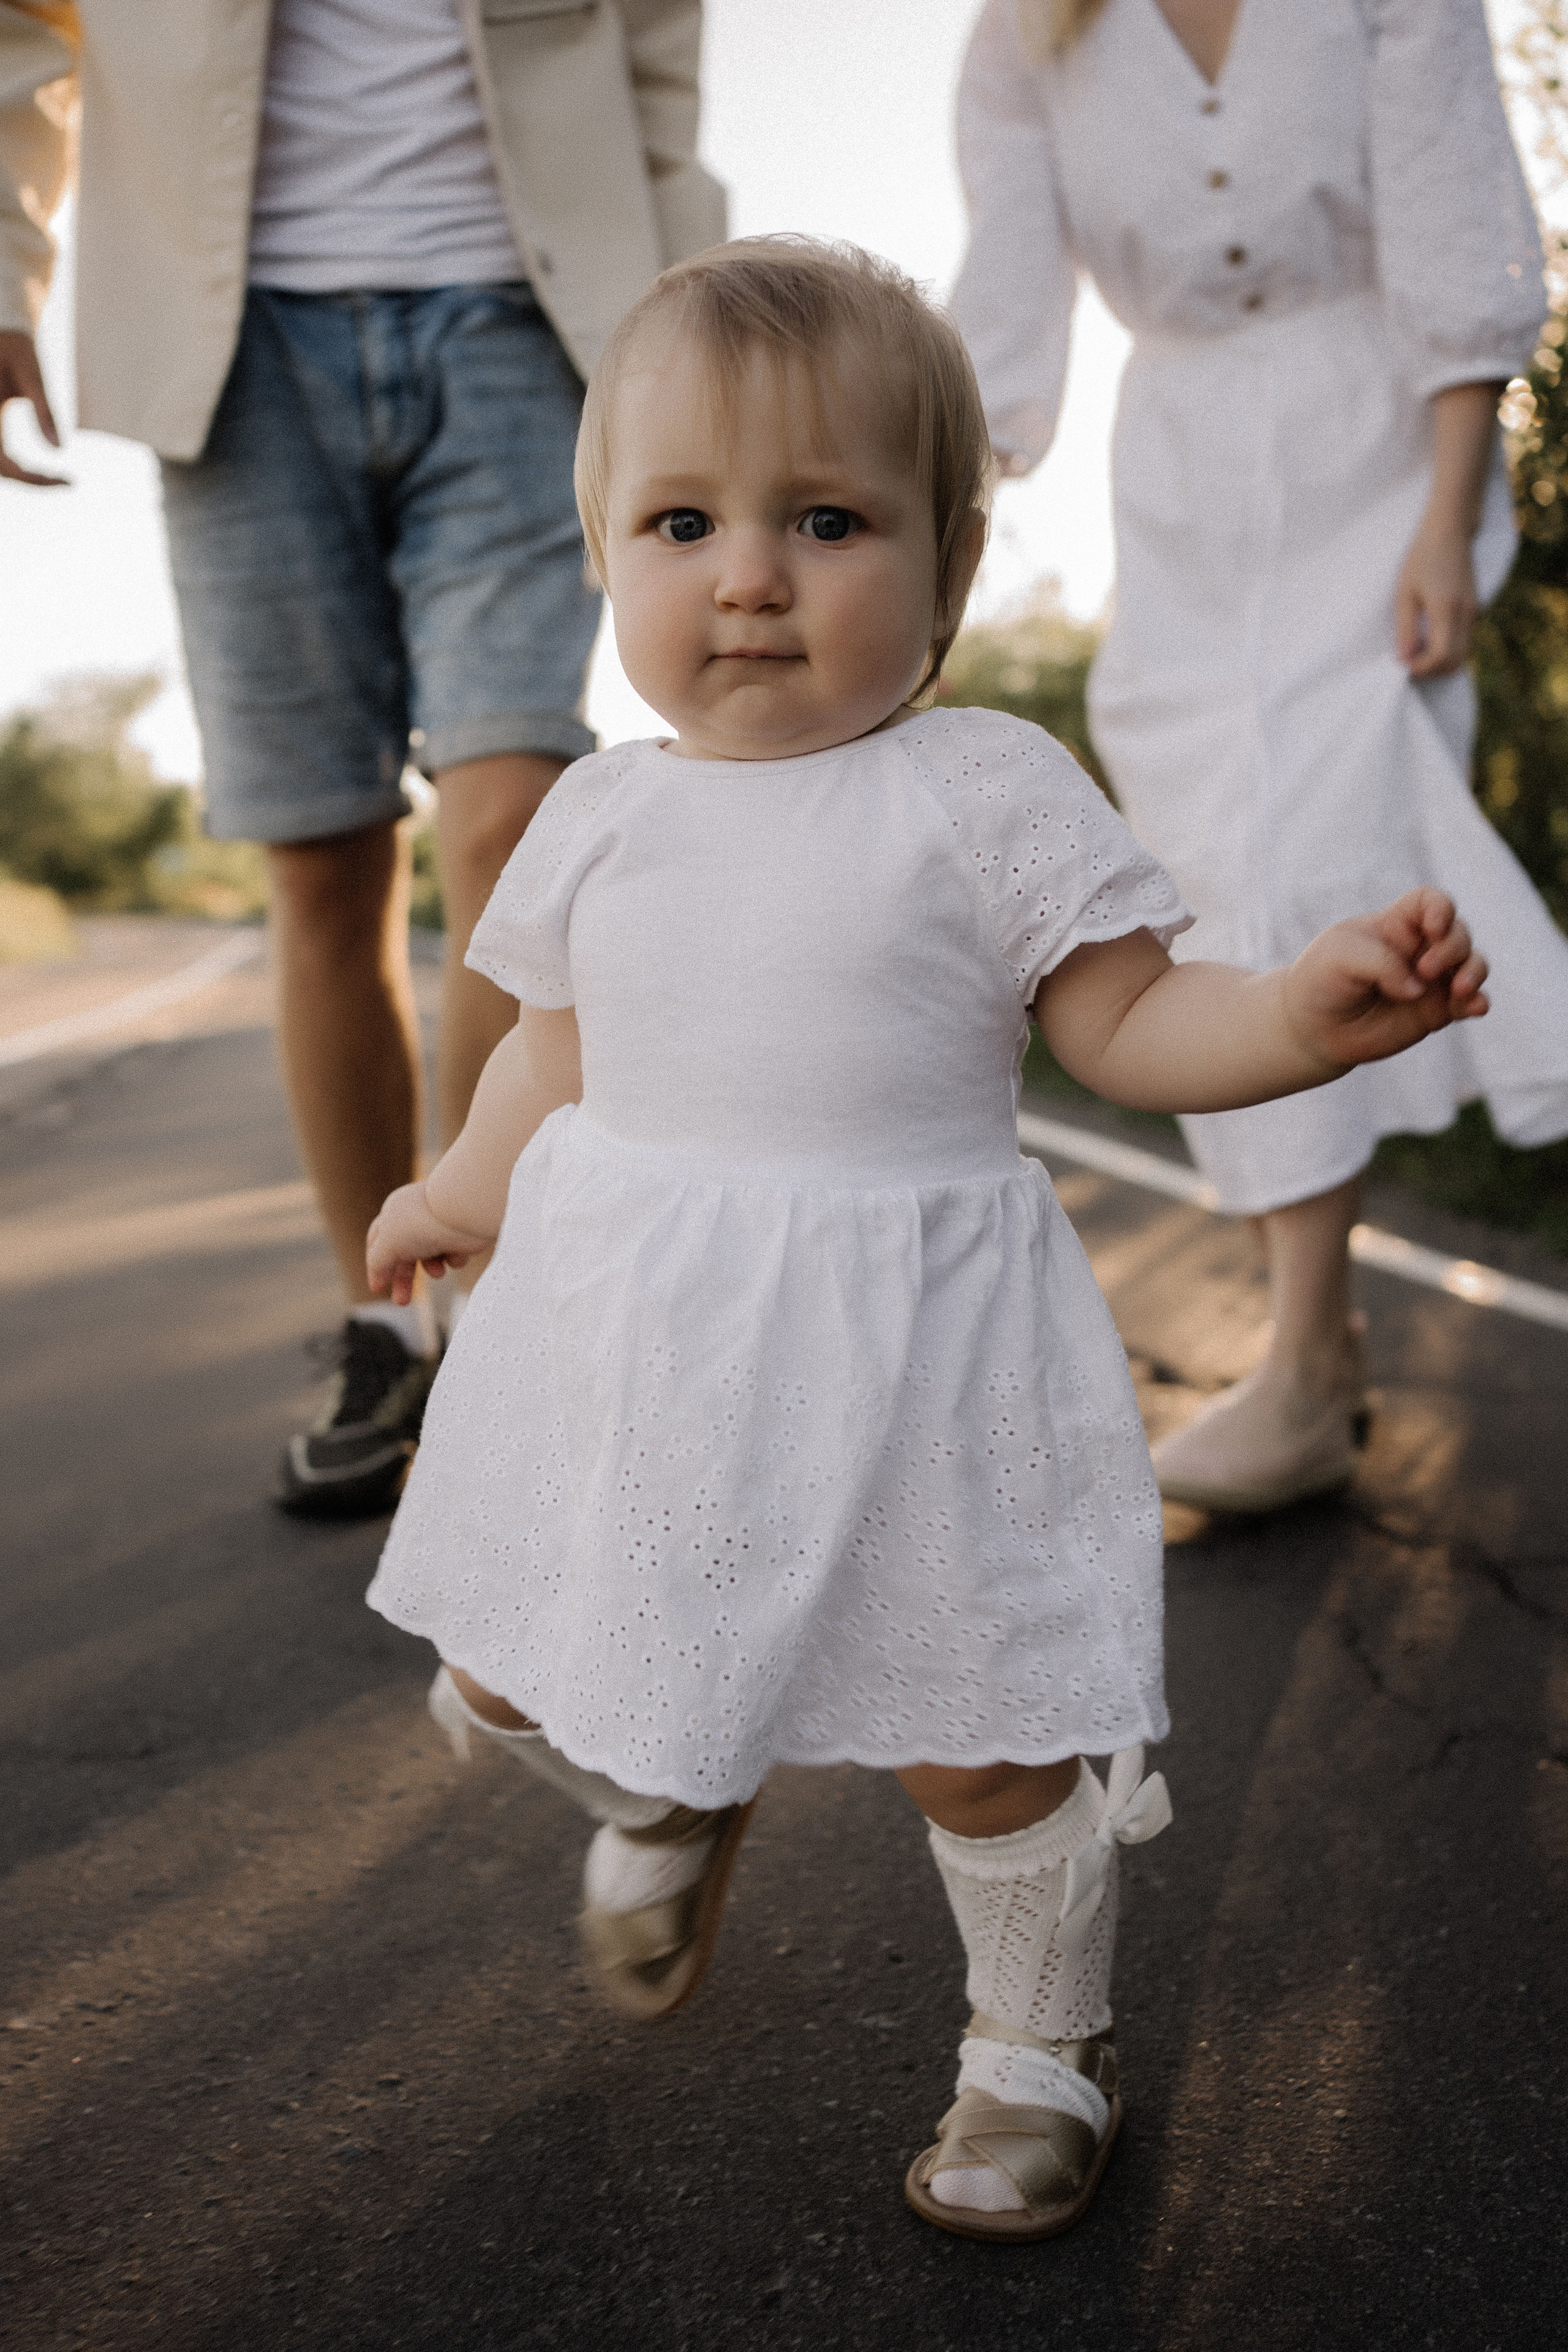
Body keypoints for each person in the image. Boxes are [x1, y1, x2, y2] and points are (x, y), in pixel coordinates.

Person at [357, 238, 1488, 2240]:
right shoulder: (606, 815)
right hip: (652, 1340)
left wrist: (1303, 1013)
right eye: (682, 521)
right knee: (555, 1654)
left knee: (975, 1740)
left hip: (916, 1359)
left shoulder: (985, 796)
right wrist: (455, 1194)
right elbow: (554, 1051)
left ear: (950, 569)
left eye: (829, 520)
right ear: (605, 551)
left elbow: (1133, 1025)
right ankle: (675, 1779)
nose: (752, 575)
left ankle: (1038, 2047)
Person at [0, 0, 723, 1517]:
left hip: (531, 317)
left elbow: (652, 54)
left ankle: (494, 1319)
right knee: (323, 857)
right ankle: (386, 1319)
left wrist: (690, 318)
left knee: (512, 815)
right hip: (230, 339)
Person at [949, 0, 1568, 1512]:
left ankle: (1302, 1357)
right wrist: (892, 550)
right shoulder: (1022, 37)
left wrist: (1443, 522)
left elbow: (1452, 230)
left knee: (1325, 847)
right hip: (1178, 503)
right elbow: (1001, 320)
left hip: (1382, 465)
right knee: (1212, 881)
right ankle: (1314, 1348)